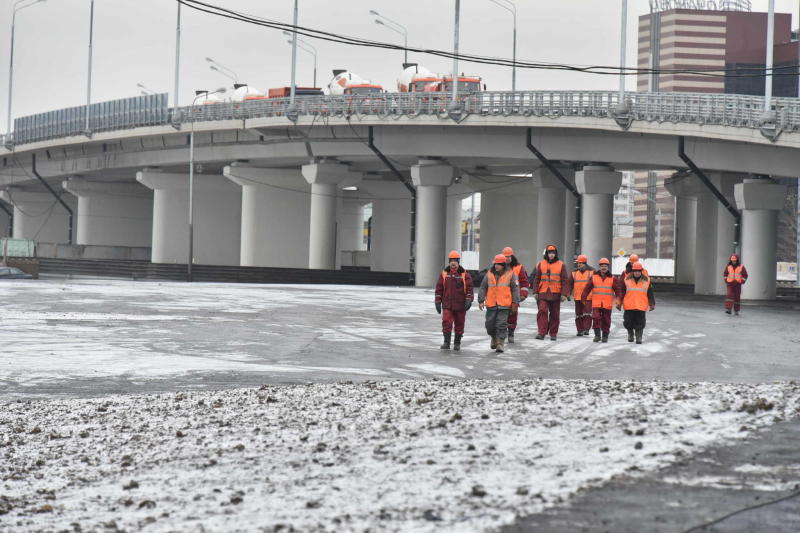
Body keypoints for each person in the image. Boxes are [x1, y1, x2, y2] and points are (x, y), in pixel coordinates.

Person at [478, 254, 520, 353]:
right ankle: (493, 337)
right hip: (491, 304)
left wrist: (515, 303)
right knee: (489, 325)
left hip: (504, 305)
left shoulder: (511, 274)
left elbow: (515, 289)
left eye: (499, 264)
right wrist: (481, 300)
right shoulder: (489, 274)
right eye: (495, 264)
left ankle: (500, 343)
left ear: (504, 265)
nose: (497, 266)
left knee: (501, 324)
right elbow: (483, 287)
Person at [434, 250, 474, 351]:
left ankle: (457, 343)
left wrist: (469, 300)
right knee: (446, 322)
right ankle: (446, 343)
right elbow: (439, 288)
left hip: (460, 305)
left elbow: (469, 289)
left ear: (458, 262)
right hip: (447, 304)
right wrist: (438, 301)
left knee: (459, 323)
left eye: (455, 260)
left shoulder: (464, 275)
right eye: (451, 260)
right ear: (449, 262)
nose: (453, 262)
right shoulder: (444, 274)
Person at [531, 244, 570, 341]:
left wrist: (564, 294)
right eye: (549, 253)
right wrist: (535, 291)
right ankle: (541, 332)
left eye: (553, 253)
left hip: (556, 293)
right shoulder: (541, 264)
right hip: (543, 292)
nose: (551, 255)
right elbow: (536, 279)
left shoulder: (562, 265)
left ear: (556, 254)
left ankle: (553, 333)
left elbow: (565, 280)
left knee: (555, 314)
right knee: (542, 311)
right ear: (547, 254)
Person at [617, 262, 655, 344]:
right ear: (632, 271)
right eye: (635, 271)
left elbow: (650, 293)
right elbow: (622, 292)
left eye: (638, 271)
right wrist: (619, 302)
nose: (637, 272)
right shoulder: (626, 280)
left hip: (641, 305)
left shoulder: (647, 280)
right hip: (629, 305)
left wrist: (651, 304)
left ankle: (639, 337)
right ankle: (630, 333)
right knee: (628, 322)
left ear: (641, 271)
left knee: (640, 322)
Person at [581, 257, 616, 343]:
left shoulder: (613, 278)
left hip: (607, 304)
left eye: (605, 266)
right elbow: (587, 288)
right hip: (596, 303)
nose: (604, 267)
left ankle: (605, 336)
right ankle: (597, 335)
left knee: (606, 319)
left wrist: (619, 299)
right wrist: (583, 297)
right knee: (596, 318)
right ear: (599, 267)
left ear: (608, 267)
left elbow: (618, 290)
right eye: (602, 266)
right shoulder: (594, 277)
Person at [502, 246, 530, 344]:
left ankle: (511, 333)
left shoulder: (519, 267)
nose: (507, 259)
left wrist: (523, 294)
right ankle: (502, 333)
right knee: (501, 316)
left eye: (509, 256)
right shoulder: (499, 267)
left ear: (512, 256)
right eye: (505, 257)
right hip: (502, 296)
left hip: (514, 297)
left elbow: (524, 282)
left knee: (513, 316)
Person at [571, 254, 594, 336]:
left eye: (580, 263)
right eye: (578, 263)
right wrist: (567, 294)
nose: (578, 265)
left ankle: (586, 329)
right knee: (578, 314)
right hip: (577, 297)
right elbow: (570, 284)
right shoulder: (574, 272)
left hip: (588, 297)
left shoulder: (592, 272)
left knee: (587, 313)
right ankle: (579, 330)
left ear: (584, 263)